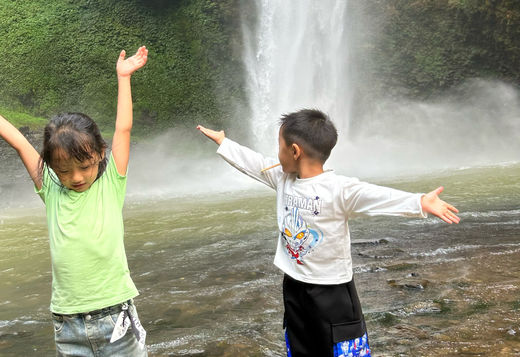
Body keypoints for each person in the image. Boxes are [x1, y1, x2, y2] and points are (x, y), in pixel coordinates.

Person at [197, 108, 460, 357]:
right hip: (294, 284)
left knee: (342, 349)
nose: (276, 155)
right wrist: (224, 142)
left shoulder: (338, 189)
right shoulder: (281, 177)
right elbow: (254, 163)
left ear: (295, 151)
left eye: (279, 147)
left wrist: (419, 202)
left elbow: (377, 196)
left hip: (332, 291)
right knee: (300, 346)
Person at [0, 46, 149, 357]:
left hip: (115, 319)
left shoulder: (111, 182)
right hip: (67, 325)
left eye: (85, 166)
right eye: (65, 170)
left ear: (100, 154)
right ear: (52, 167)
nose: (77, 177)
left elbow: (123, 127)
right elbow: (18, 142)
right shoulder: (51, 188)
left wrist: (124, 78)